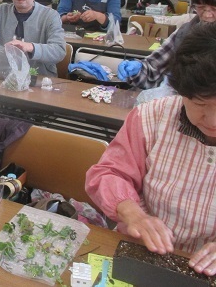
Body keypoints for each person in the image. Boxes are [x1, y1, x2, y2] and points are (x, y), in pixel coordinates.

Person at [86, 22, 216, 276]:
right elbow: (109, 173)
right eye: (200, 104)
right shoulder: (153, 117)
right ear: (182, 91)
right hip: (142, 254)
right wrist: (132, 213)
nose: (212, 121)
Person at [118, 0, 216, 89]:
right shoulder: (185, 33)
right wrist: (137, 70)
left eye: (214, 9)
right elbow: (153, 69)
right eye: (201, 8)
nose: (207, 15)